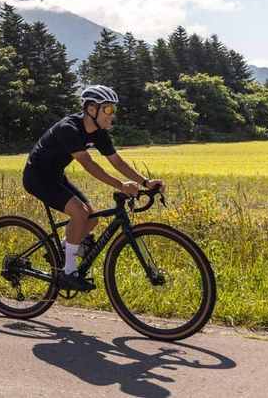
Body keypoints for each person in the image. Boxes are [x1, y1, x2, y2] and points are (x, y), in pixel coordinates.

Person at [22, 85, 164, 292]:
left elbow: (117, 161)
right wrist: (120, 185)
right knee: (80, 212)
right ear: (91, 109)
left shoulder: (99, 132)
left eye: (113, 110)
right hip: (37, 177)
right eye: (107, 109)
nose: (112, 115)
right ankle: (68, 272)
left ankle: (62, 250)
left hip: (56, 176)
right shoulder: (68, 128)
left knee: (92, 217)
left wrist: (145, 181)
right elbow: (89, 164)